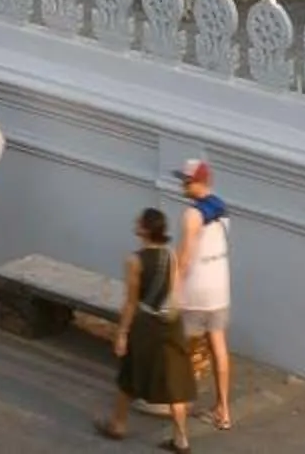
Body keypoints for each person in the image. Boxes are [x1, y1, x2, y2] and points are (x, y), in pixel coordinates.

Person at [96, 205, 192, 450]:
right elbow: (173, 290)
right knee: (174, 382)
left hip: (146, 325)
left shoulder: (134, 260)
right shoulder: (171, 255)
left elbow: (131, 302)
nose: (135, 224)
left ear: (146, 230)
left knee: (129, 376)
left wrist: (122, 333)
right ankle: (181, 439)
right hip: (171, 324)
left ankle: (118, 425)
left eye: (139, 222)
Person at [175, 159, 232, 431]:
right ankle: (223, 410)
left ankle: (179, 404)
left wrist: (173, 288)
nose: (182, 185)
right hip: (220, 288)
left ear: (196, 182)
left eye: (185, 181)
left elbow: (185, 258)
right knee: (218, 347)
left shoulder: (192, 215)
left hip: (196, 291)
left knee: (181, 350)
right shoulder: (222, 209)